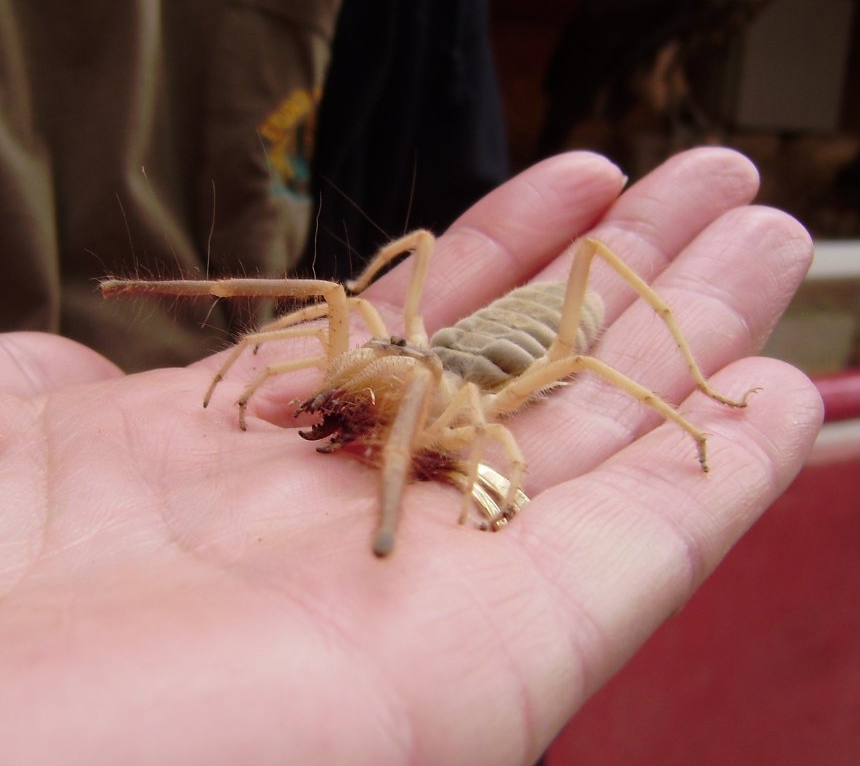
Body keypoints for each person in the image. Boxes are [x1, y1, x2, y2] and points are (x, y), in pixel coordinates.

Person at [0, 149, 822, 764]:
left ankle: (704, 390)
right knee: (335, 295)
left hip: (532, 346)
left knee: (590, 321)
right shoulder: (369, 360)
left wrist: (698, 409)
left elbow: (509, 405)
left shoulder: (463, 410)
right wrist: (255, 342)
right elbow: (337, 300)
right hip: (447, 346)